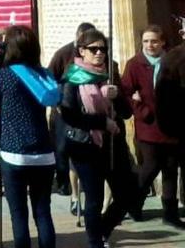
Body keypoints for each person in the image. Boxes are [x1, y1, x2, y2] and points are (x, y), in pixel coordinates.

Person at [60, 29, 137, 248]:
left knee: (127, 194)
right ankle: (95, 242)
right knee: (93, 199)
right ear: (82, 51)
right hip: (85, 145)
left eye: (103, 48)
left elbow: (126, 112)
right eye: (94, 49)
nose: (99, 53)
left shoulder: (109, 72)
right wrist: (101, 123)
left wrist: (117, 96)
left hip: (113, 144)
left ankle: (103, 229)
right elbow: (69, 114)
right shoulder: (72, 77)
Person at [0, 26, 56, 248]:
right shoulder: (43, 74)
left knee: (18, 215)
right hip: (44, 152)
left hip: (14, 153)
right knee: (43, 212)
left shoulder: (6, 75)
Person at [122, 25, 185, 227]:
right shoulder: (135, 64)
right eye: (146, 41)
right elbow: (127, 93)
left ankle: (170, 213)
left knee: (170, 170)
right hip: (148, 127)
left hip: (172, 125)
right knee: (148, 169)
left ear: (163, 42)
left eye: (154, 41)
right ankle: (133, 204)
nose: (150, 45)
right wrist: (142, 110)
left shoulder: (172, 60)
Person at [48, 22, 96, 198]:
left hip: (86, 112)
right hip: (63, 110)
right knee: (61, 148)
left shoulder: (98, 53)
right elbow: (50, 78)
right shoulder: (63, 54)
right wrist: (57, 102)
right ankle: (63, 182)